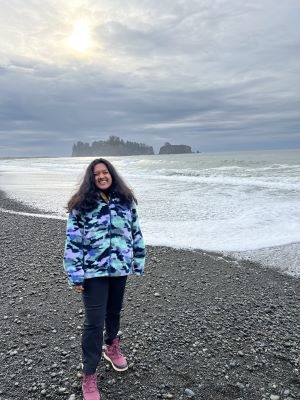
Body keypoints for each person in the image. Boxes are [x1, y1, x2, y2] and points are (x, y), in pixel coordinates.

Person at [63, 158, 146, 400]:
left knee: (114, 312)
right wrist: (75, 273)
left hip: (120, 268)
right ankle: (89, 374)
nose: (102, 176)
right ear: (92, 178)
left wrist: (138, 260)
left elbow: (136, 232)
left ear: (112, 175)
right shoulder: (81, 205)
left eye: (105, 172)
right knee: (93, 322)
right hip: (93, 272)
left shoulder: (125, 201)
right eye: (97, 173)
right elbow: (73, 242)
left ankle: (112, 346)